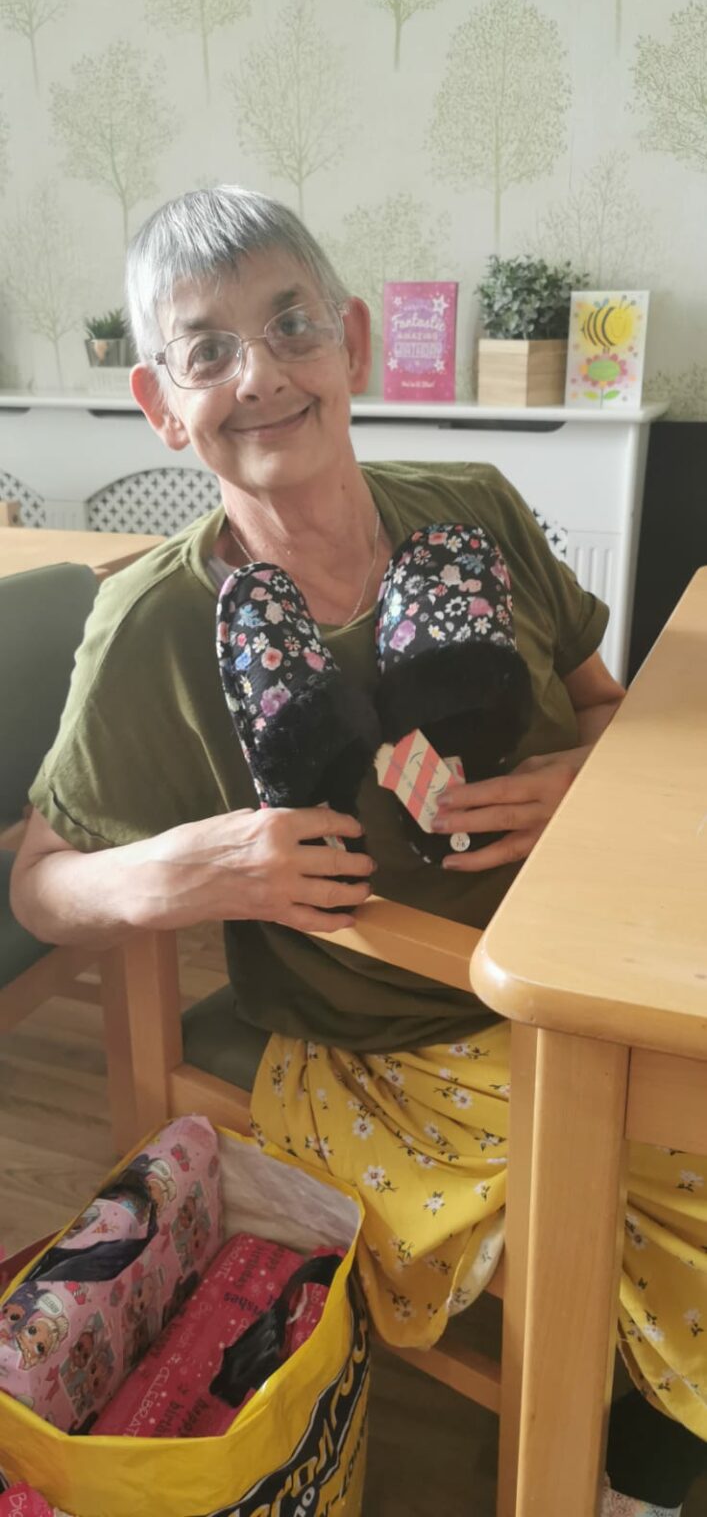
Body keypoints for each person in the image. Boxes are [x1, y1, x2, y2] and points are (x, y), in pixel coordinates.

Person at [10, 186, 706, 1515]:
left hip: (595, 958)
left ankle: (648, 1433)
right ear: (161, 404)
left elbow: (608, 707)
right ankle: (632, 1472)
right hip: (400, 1040)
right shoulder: (159, 627)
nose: (262, 374)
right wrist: (199, 869)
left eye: (293, 325)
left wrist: (574, 778)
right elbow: (41, 887)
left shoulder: (473, 512)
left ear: (356, 344)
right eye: (208, 350)